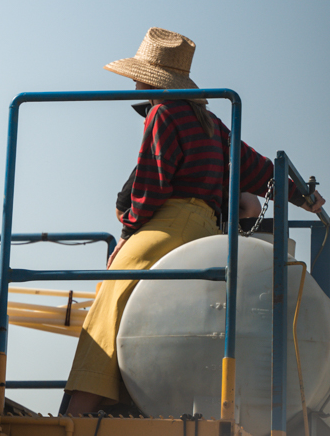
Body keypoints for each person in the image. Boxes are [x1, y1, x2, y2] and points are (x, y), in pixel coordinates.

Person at [64, 28, 325, 415]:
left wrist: (128, 230)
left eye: (137, 75)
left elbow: (151, 186)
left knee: (111, 294)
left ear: (150, 78)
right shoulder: (210, 121)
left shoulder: (162, 113)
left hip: (169, 225)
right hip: (207, 231)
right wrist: (302, 196)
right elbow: (258, 170)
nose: (133, 82)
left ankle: (79, 410)